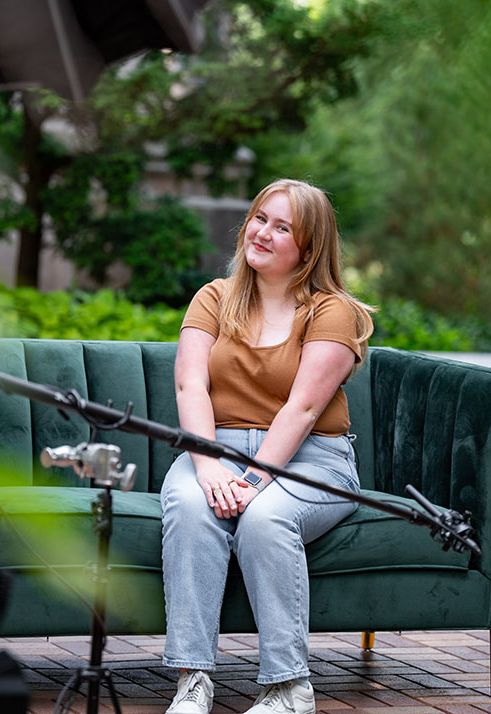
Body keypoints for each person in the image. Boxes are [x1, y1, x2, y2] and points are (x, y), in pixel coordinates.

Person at [160, 179, 375, 714]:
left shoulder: (332, 311)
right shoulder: (214, 297)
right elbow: (191, 385)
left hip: (312, 458)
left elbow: (301, 410)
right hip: (213, 449)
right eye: (260, 218)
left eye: (284, 228)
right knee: (190, 504)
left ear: (309, 247)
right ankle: (193, 680)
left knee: (265, 518)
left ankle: (288, 686)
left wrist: (253, 482)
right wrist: (208, 468)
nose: (263, 232)